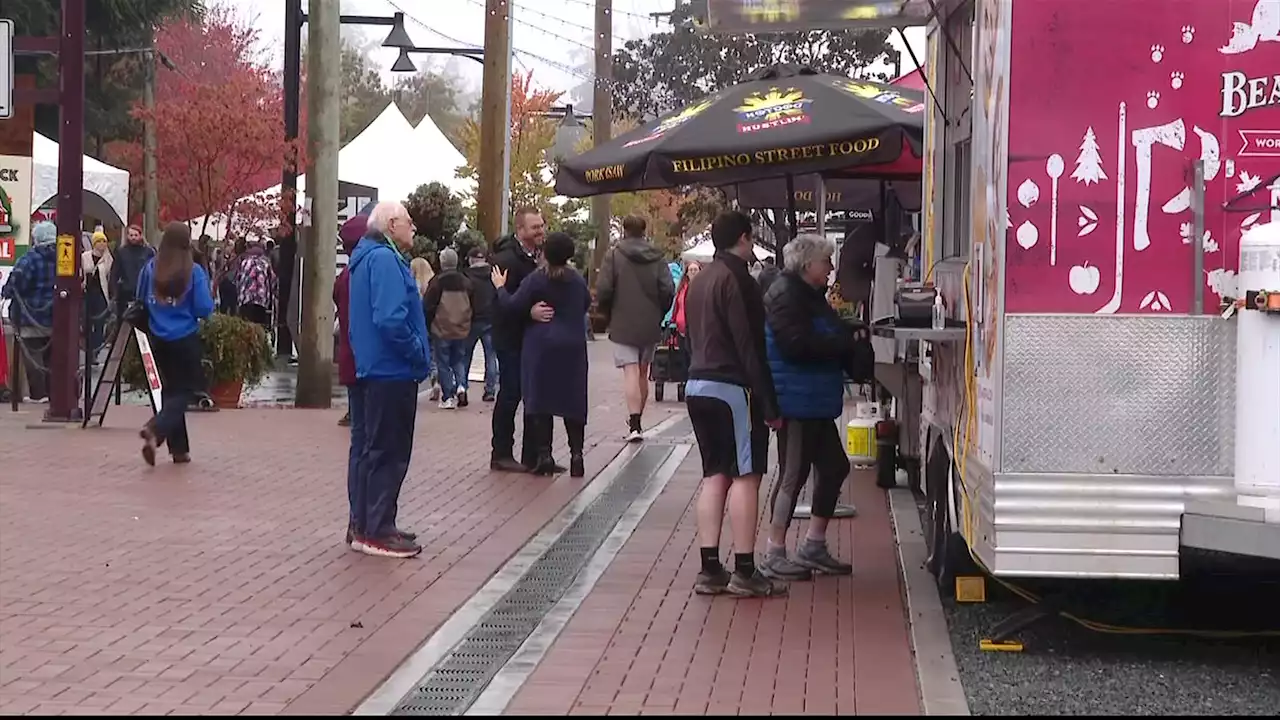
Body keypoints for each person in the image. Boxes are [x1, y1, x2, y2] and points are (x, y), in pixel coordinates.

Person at [759, 234, 874, 581]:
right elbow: (796, 345)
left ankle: (813, 545)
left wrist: (846, 333)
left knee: (835, 467)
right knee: (792, 475)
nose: (831, 268)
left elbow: (818, 334)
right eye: (826, 261)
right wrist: (842, 339)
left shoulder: (807, 295)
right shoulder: (786, 295)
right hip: (797, 399)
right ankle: (774, 551)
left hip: (814, 398)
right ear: (808, 265)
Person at [685, 210, 785, 598]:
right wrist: (769, 404)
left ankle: (710, 567)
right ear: (744, 238)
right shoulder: (739, 280)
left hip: (698, 382)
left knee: (714, 474)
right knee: (746, 474)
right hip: (733, 387)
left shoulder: (701, 278)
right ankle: (745, 567)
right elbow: (750, 345)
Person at [347, 201, 430, 559]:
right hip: (391, 369)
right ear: (392, 224)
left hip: (376, 367)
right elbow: (390, 319)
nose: (414, 228)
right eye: (409, 222)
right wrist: (416, 352)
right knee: (388, 452)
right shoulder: (383, 260)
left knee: (372, 450)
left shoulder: (368, 258)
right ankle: (377, 529)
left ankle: (369, 525)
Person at [492, 232, 591, 478]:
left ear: (546, 253)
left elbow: (513, 305)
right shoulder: (577, 280)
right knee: (573, 401)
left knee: (540, 400)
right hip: (573, 346)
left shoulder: (538, 279)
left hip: (541, 345)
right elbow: (586, 304)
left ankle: (544, 455)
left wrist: (500, 288)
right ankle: (576, 455)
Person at [136, 222, 215, 466]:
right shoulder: (194, 271)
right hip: (185, 337)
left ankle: (179, 450)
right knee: (187, 391)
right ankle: (156, 428)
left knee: (170, 392)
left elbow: (139, 298)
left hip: (158, 338)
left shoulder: (150, 268)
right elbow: (204, 307)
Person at [595, 215, 676, 442]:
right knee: (643, 370)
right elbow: (668, 289)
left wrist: (608, 312)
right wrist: (659, 312)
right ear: (644, 230)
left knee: (630, 371)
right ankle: (639, 419)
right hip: (650, 321)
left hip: (623, 320)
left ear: (624, 230)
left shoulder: (614, 255)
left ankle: (634, 425)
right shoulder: (657, 257)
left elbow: (603, 289)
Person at [489, 206, 555, 473]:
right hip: (511, 339)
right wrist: (528, 312)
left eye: (542, 225)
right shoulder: (506, 260)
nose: (541, 231)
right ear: (520, 230)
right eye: (535, 227)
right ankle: (501, 452)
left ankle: (533, 455)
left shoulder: (541, 257)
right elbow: (500, 303)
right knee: (511, 393)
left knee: (535, 395)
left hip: (535, 340)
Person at [1, 221, 58, 402]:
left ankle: (38, 394)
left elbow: (14, 286)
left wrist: (6, 292)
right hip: (56, 315)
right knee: (52, 357)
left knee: (32, 357)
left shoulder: (29, 259)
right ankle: (53, 393)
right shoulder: (64, 258)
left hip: (29, 316)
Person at [424, 248, 474, 410]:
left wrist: (428, 324)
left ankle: (447, 397)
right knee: (458, 359)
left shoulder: (437, 281)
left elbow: (428, 306)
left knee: (443, 363)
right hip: (461, 328)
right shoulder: (466, 281)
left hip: (442, 328)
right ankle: (461, 385)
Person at [334, 215, 366, 429]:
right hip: (368, 359)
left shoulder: (345, 274)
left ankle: (353, 414)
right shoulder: (363, 272)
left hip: (350, 352)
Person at [463, 246, 499, 402]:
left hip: (472, 320)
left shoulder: (466, 277)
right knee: (491, 356)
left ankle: (461, 387)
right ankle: (490, 390)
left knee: (465, 356)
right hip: (491, 319)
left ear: (471, 260)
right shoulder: (493, 275)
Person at [110, 224, 154, 321]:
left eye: (135, 235)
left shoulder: (148, 252)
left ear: (140, 236)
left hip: (144, 294)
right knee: (122, 323)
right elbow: (114, 273)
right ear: (127, 236)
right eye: (131, 235)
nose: (133, 237)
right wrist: (114, 293)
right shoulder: (121, 252)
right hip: (126, 294)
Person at [82, 230, 114, 358]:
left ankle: (95, 351)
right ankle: (88, 349)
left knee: (100, 324)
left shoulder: (109, 259)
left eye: (104, 241)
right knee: (87, 324)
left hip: (101, 294)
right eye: (99, 241)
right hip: (87, 294)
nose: (102, 244)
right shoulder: (85, 256)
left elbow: (110, 276)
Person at [235, 236, 275, 331]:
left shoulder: (244, 262)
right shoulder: (265, 263)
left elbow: (238, 280)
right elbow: (272, 281)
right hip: (261, 302)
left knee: (246, 331)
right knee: (259, 330)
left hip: (245, 301)